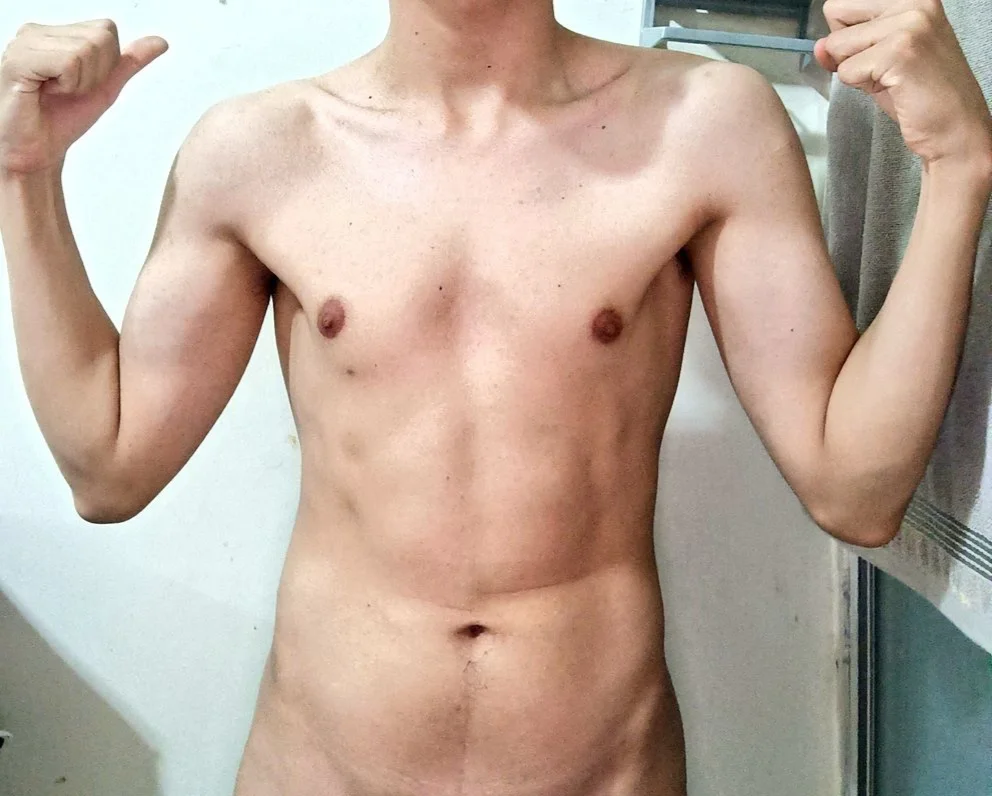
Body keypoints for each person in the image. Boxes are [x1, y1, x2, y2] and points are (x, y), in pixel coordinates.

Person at [1, 1, 989, 794]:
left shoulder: (706, 122)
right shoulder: (257, 148)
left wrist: (957, 168)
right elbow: (110, 466)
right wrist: (24, 174)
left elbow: (854, 489)